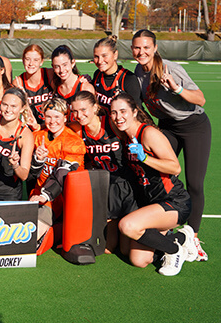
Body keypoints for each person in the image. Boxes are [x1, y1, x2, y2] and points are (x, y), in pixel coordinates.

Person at [131, 29, 210, 261]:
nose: (141, 52)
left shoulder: (170, 68)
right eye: (137, 47)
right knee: (157, 171)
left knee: (194, 182)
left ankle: (192, 236)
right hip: (167, 126)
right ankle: (162, 224)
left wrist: (176, 88)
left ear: (155, 48)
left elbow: (201, 99)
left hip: (194, 125)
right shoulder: (137, 71)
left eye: (146, 47)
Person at [111, 93, 197, 276]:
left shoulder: (148, 133)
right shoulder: (126, 136)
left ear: (134, 112)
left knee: (128, 226)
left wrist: (145, 158)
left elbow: (175, 168)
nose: (118, 117)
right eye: (114, 113)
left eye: (123, 111)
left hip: (174, 202)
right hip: (152, 204)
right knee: (137, 259)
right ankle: (181, 236)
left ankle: (175, 250)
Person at [70, 91, 137, 253]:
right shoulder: (78, 130)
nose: (79, 115)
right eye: (75, 111)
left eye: (84, 110)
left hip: (129, 185)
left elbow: (140, 133)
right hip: (107, 187)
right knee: (108, 249)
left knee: (128, 252)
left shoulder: (113, 124)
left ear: (95, 108)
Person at [28, 97, 86, 252]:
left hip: (62, 198)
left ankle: (61, 228)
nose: (52, 121)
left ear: (65, 118)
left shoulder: (74, 142)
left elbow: (63, 174)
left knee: (28, 241)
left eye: (57, 117)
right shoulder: (38, 136)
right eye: (48, 116)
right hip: (38, 193)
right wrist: (37, 160)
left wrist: (45, 196)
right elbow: (30, 173)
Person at [92, 35, 141, 110]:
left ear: (115, 55)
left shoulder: (128, 78)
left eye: (104, 56)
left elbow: (137, 111)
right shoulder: (97, 74)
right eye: (96, 57)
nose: (100, 61)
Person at [12, 44, 53, 131]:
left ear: (41, 61)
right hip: (33, 128)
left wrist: (82, 78)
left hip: (53, 125)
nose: (31, 63)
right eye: (27, 59)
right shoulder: (18, 82)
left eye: (36, 60)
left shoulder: (49, 74)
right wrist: (24, 100)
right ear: (23, 60)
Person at [51, 45, 94, 120]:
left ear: (73, 63)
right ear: (53, 67)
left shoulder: (85, 87)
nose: (61, 70)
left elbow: (92, 118)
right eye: (57, 66)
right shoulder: (54, 84)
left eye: (65, 65)